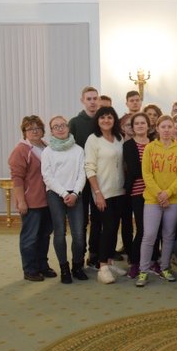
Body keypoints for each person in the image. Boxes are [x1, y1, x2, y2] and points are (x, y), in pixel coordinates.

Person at [135, 115, 177, 287]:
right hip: (153, 199)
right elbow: (147, 174)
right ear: (157, 129)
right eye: (163, 127)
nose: (166, 130)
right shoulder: (150, 148)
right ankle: (143, 270)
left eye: (169, 126)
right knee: (149, 235)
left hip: (173, 200)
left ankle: (165, 267)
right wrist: (159, 194)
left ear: (174, 129)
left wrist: (168, 193)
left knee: (168, 235)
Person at [41, 115, 88, 283]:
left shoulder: (78, 150)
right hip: (55, 194)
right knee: (59, 233)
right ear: (51, 131)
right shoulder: (47, 152)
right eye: (56, 126)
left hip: (76, 193)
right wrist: (63, 193)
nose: (60, 128)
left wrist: (75, 193)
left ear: (68, 128)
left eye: (63, 125)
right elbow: (47, 177)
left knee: (79, 235)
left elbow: (82, 173)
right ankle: (64, 268)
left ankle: (77, 266)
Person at [8, 115, 55, 282]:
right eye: (30, 129)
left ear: (43, 130)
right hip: (31, 202)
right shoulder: (21, 150)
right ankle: (30, 269)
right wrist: (21, 201)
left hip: (48, 200)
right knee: (30, 237)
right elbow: (17, 178)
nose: (35, 131)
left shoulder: (46, 146)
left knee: (44, 235)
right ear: (24, 132)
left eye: (38, 128)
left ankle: (42, 265)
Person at [84, 106, 127, 284]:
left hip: (120, 191)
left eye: (109, 117)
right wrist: (98, 193)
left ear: (114, 120)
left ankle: (109, 262)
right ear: (97, 120)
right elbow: (89, 168)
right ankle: (102, 267)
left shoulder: (119, 138)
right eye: (102, 117)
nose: (106, 120)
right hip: (103, 193)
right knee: (107, 230)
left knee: (114, 228)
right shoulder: (93, 139)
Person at [68, 86, 102, 269]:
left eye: (95, 98)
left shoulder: (102, 121)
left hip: (98, 178)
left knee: (98, 220)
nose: (92, 102)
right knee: (80, 221)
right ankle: (78, 258)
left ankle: (94, 255)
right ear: (83, 101)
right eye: (89, 99)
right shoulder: (74, 123)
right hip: (80, 179)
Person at [122, 112, 151, 279]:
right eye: (137, 123)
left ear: (148, 125)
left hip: (154, 192)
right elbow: (134, 170)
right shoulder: (128, 145)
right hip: (137, 192)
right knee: (142, 229)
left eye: (143, 123)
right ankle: (134, 262)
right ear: (132, 127)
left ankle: (152, 260)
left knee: (153, 230)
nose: (140, 126)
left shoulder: (154, 143)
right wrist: (151, 172)